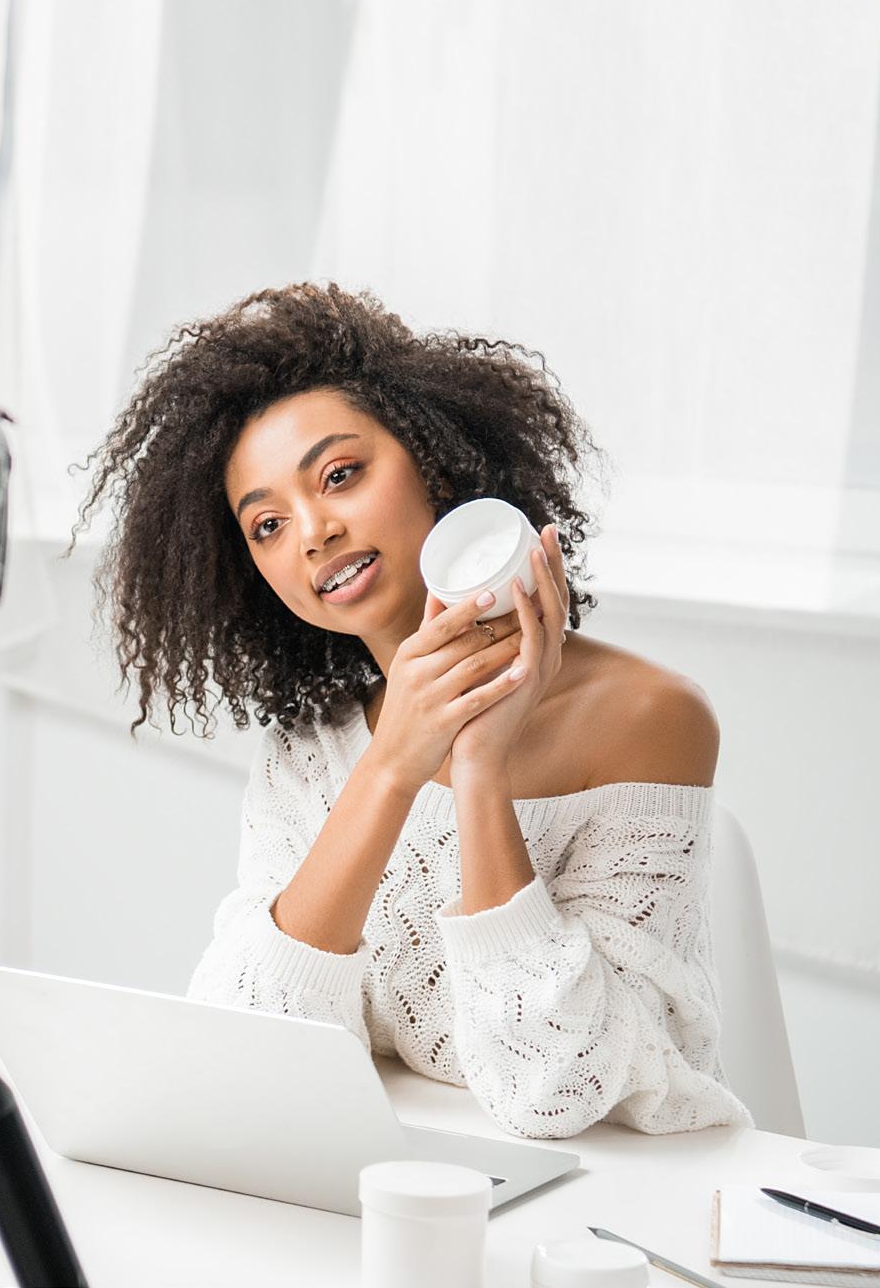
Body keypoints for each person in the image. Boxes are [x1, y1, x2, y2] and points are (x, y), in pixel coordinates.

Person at [71, 281, 751, 1140]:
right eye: (267, 524)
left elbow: (556, 1088)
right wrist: (390, 766)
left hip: (628, 1184)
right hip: (406, 1170)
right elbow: (248, 1049)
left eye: (339, 475)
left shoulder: (648, 716)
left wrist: (478, 768)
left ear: (435, 461)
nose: (312, 531)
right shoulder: (309, 755)